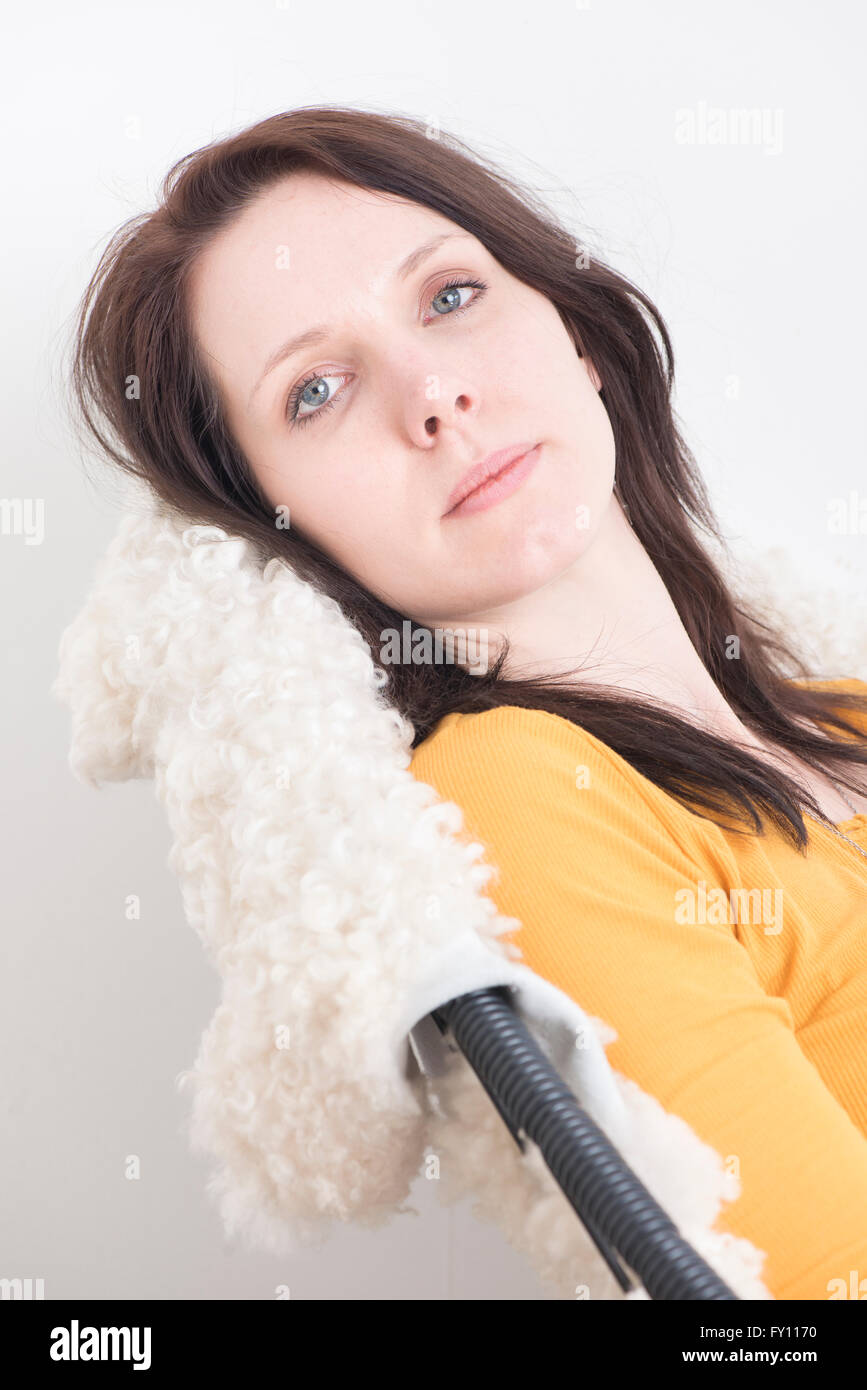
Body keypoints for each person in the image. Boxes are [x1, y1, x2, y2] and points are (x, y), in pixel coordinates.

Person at [68, 105, 867, 1300]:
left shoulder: (844, 705)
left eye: (448, 297)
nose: (434, 392)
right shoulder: (523, 796)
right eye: (317, 390)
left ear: (577, 332)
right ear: (284, 535)